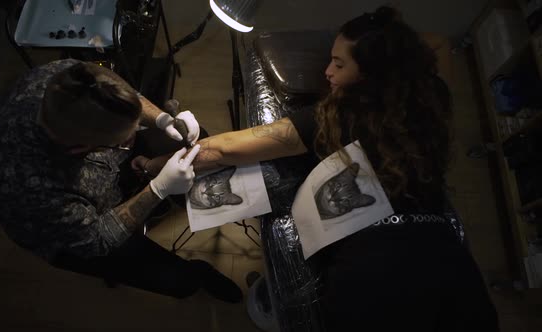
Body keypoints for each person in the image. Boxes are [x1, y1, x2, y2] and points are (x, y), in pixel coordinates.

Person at [136, 6, 499, 331]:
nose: (326, 71)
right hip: (443, 257)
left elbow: (224, 150)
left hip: (374, 268)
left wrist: (154, 166)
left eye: (339, 64)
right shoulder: (433, 96)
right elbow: (435, 42)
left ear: (372, 72)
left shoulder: (336, 116)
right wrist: (384, 48)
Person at [0, 59, 242, 303]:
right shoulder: (27, 188)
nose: (132, 139)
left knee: (193, 141)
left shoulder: (65, 79)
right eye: (123, 141)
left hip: (103, 176)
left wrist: (160, 119)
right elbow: (97, 239)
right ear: (81, 149)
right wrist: (157, 189)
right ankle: (199, 275)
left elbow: (118, 90)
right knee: (177, 281)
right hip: (78, 235)